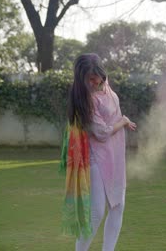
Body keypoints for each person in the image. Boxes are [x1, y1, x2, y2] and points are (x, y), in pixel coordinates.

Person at [60, 53, 136, 251]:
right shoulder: (86, 99)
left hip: (115, 155)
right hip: (97, 157)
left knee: (118, 206)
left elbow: (111, 119)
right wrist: (123, 121)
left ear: (102, 73)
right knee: (97, 212)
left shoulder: (107, 87)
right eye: (88, 79)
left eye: (96, 77)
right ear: (81, 80)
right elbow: (101, 133)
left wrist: (121, 122)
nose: (94, 82)